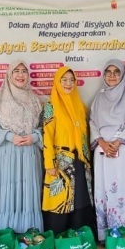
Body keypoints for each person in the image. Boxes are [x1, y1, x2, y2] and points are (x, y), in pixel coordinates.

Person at [0, 60, 44, 233]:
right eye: (16, 71)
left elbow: (44, 126)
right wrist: (11, 136)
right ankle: (4, 234)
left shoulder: (35, 100)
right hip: (6, 153)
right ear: (9, 75)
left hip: (29, 153)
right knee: (7, 191)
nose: (20, 75)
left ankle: (29, 234)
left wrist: (34, 137)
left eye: (24, 71)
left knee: (28, 192)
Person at [90, 60, 125, 240]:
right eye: (108, 72)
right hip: (103, 150)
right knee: (105, 188)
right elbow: (92, 122)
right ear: (104, 75)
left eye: (116, 72)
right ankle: (107, 235)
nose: (112, 76)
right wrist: (102, 142)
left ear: (122, 75)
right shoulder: (98, 98)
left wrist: (118, 141)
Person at [41, 67, 97, 238]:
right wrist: (49, 163)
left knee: (80, 200)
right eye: (63, 79)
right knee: (61, 199)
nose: (68, 83)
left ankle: (80, 239)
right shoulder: (51, 106)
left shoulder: (80, 105)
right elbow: (47, 136)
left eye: (71, 80)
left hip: (80, 161)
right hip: (60, 162)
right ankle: (59, 237)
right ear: (57, 82)